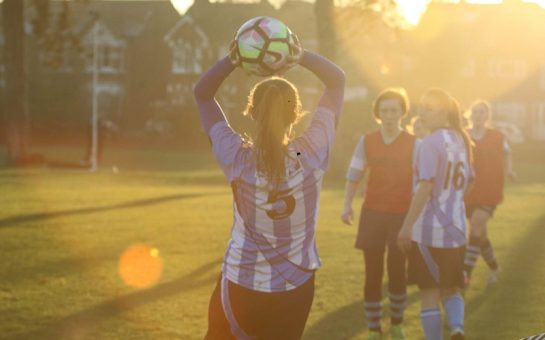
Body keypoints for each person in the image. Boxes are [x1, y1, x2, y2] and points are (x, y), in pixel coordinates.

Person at [194, 37, 345, 340]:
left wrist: (235, 59)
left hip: (242, 283)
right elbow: (337, 82)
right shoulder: (311, 153)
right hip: (296, 287)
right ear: (296, 113)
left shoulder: (237, 157)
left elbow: (203, 95)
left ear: (251, 112)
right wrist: (298, 55)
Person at [397, 88, 473, 340]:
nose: (422, 113)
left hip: (430, 230)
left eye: (429, 108)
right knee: (451, 287)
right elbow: (468, 181)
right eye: (421, 107)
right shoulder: (461, 139)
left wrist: (407, 226)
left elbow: (426, 185)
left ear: (443, 113)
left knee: (429, 292)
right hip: (458, 228)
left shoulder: (430, 143)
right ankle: (457, 327)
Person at [341, 88, 417, 340]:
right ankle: (374, 328)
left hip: (401, 216)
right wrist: (347, 204)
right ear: (378, 114)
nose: (389, 115)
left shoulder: (414, 143)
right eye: (384, 110)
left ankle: (397, 324)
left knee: (397, 271)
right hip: (372, 213)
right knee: (372, 273)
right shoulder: (367, 141)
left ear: (402, 113)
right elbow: (354, 175)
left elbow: (422, 182)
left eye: (394, 110)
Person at [463, 100, 517, 286]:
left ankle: (465, 274)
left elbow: (508, 153)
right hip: (468, 191)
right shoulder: (463, 135)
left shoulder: (497, 136)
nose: (478, 116)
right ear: (470, 115)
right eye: (475, 112)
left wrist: (509, 170)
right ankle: (495, 268)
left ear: (487, 116)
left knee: (476, 226)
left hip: (490, 190)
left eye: (482, 113)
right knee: (480, 234)